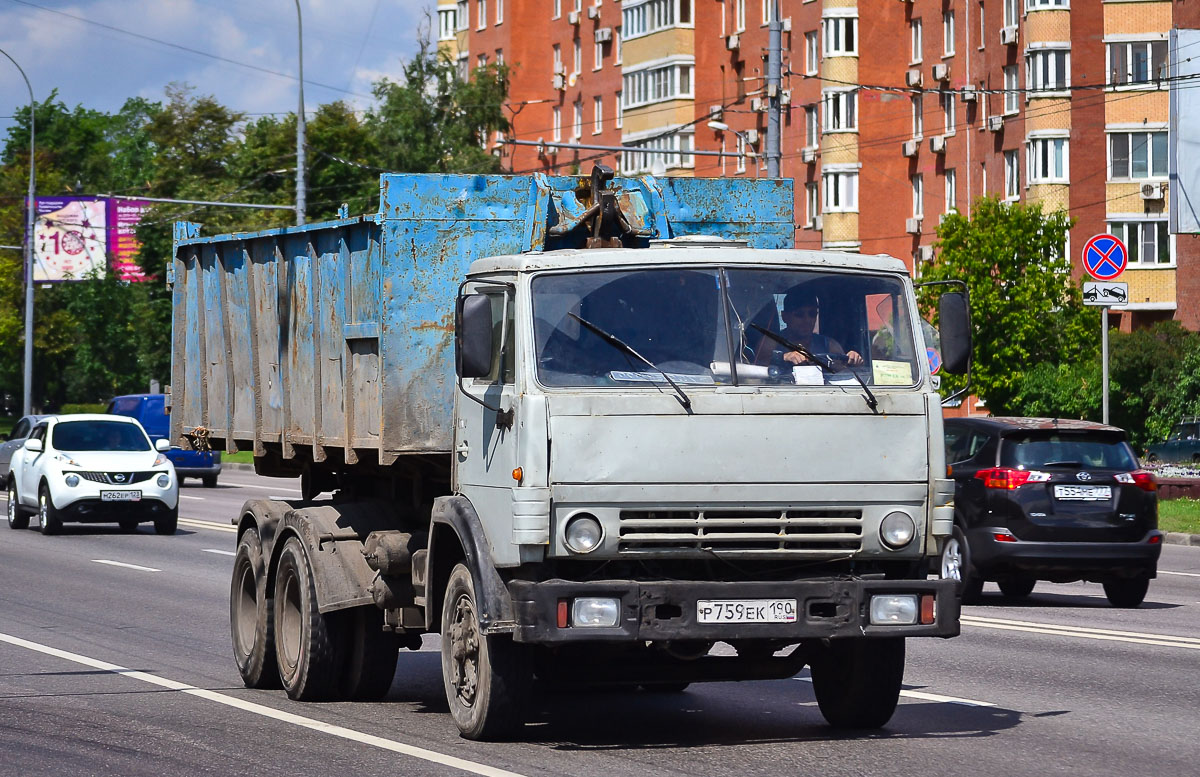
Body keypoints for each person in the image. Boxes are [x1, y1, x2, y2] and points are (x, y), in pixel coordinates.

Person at [761, 289, 863, 367]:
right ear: (784, 316)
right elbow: (756, 370)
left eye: (812, 314)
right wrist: (783, 358)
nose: (807, 320)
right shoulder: (771, 342)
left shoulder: (830, 345)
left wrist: (853, 360)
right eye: (799, 315)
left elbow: (843, 373)